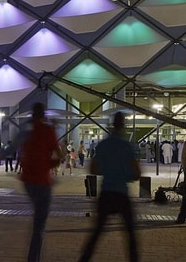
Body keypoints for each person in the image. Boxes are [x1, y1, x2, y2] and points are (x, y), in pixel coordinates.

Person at [79, 112, 140, 262]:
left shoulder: (103, 144)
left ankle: (84, 259)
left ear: (112, 124)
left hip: (106, 192)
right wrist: (125, 174)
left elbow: (92, 169)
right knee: (130, 234)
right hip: (121, 193)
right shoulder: (127, 146)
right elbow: (137, 173)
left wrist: (107, 170)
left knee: (97, 232)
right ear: (124, 125)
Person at [18, 102, 61, 262]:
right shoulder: (48, 130)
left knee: (38, 218)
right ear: (44, 115)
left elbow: (20, 150)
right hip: (42, 181)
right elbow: (58, 156)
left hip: (27, 180)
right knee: (39, 223)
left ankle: (34, 256)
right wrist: (49, 164)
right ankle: (33, 258)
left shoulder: (27, 130)